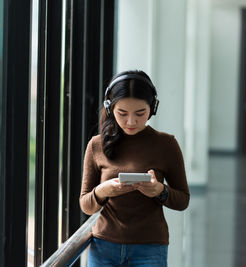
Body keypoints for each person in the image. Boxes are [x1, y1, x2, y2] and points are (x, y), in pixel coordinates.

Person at [80, 70, 190, 266]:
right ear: (109, 108)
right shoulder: (96, 145)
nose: (131, 122)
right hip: (104, 246)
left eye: (140, 113)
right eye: (122, 113)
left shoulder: (166, 144)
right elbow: (86, 205)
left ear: (153, 108)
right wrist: (103, 191)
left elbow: (183, 200)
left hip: (150, 247)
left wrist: (160, 191)